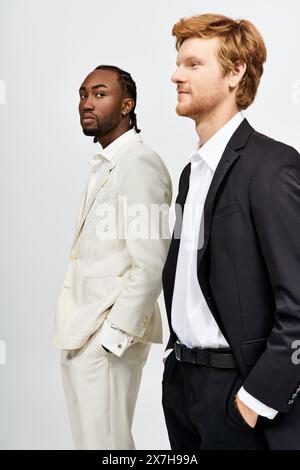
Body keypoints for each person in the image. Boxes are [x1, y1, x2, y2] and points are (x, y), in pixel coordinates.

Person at [162, 13, 300, 450]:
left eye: (192, 64)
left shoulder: (272, 166)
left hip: (238, 395)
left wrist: (255, 400)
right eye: (178, 63)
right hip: (183, 387)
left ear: (235, 72)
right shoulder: (190, 174)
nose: (175, 74)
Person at [54, 65, 172, 450]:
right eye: (83, 94)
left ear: (127, 105)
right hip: (82, 332)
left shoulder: (139, 163)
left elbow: (153, 263)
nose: (86, 102)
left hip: (105, 339)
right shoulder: (106, 164)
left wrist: (112, 337)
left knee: (106, 447)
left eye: (99, 94)